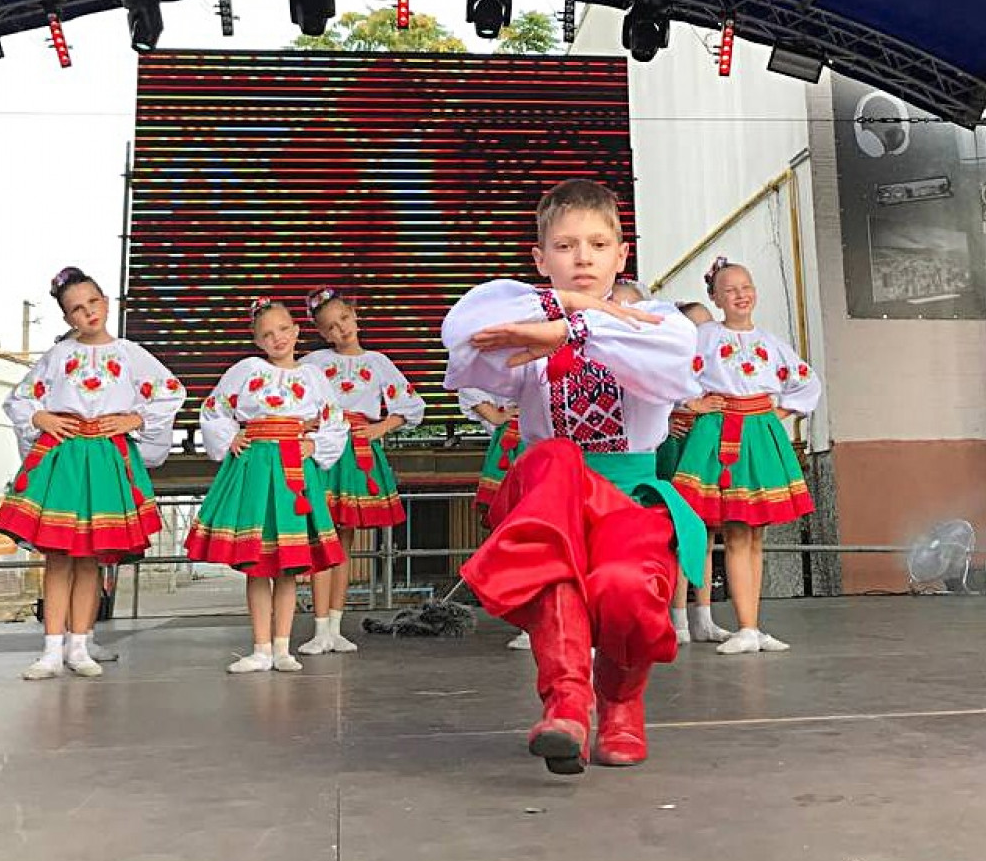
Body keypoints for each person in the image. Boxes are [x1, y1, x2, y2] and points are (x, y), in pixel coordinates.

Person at [441, 178, 706, 775]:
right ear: (540, 259)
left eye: (597, 244)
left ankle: (621, 705)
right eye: (564, 246)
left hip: (626, 498)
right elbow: (459, 332)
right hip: (552, 497)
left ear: (621, 254)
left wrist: (570, 330)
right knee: (554, 496)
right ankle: (566, 703)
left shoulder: (655, 321)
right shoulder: (525, 322)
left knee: (624, 587)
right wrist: (561, 308)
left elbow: (673, 356)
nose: (582, 258)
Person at [0, 266, 185, 680]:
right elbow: (20, 398)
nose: (89, 312)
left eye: (93, 302)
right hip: (64, 458)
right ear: (68, 318)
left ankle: (79, 645)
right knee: (58, 557)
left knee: (89, 559)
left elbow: (170, 390)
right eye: (77, 309)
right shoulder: (58, 355)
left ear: (107, 303)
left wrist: (134, 419)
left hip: (106, 459)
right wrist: (41, 416)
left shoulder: (130, 354)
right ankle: (51, 649)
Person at [186, 299, 349, 674]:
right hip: (257, 467)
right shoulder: (246, 370)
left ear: (297, 331)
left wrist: (315, 445)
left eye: (283, 329)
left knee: (289, 565)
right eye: (267, 334)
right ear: (258, 341)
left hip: (294, 469)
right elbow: (213, 408)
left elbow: (335, 420)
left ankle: (282, 648)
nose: (277, 338)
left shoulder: (313, 376)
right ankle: (260, 649)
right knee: (258, 563)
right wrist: (230, 436)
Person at [672, 258, 822, 655]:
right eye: (730, 289)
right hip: (720, 433)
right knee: (738, 531)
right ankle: (746, 626)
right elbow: (670, 371)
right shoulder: (704, 336)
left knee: (756, 535)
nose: (741, 295)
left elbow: (807, 380)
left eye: (746, 286)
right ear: (716, 298)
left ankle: (751, 626)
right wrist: (691, 403)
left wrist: (780, 412)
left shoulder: (771, 342)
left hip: (758, 432)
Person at [297, 287, 425, 655]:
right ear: (322, 333)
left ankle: (335, 628)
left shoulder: (379, 362)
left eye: (344, 319)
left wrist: (380, 427)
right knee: (321, 537)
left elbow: (411, 406)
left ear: (355, 315)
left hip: (357, 451)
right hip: (324, 449)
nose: (341, 329)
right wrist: (307, 426)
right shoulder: (313, 363)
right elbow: (294, 398)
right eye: (331, 327)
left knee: (344, 542)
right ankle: (319, 627)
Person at [657, 301, 735, 645]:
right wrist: (669, 419)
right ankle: (677, 618)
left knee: (705, 533)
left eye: (710, 325)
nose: (707, 333)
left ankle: (703, 617)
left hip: (704, 446)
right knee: (678, 532)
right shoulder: (668, 363)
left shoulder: (718, 362)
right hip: (675, 446)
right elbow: (648, 399)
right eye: (697, 327)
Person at [458, 386, 528, 650]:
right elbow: (467, 380)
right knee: (518, 537)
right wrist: (497, 416)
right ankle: (529, 623)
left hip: (553, 440)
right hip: (516, 445)